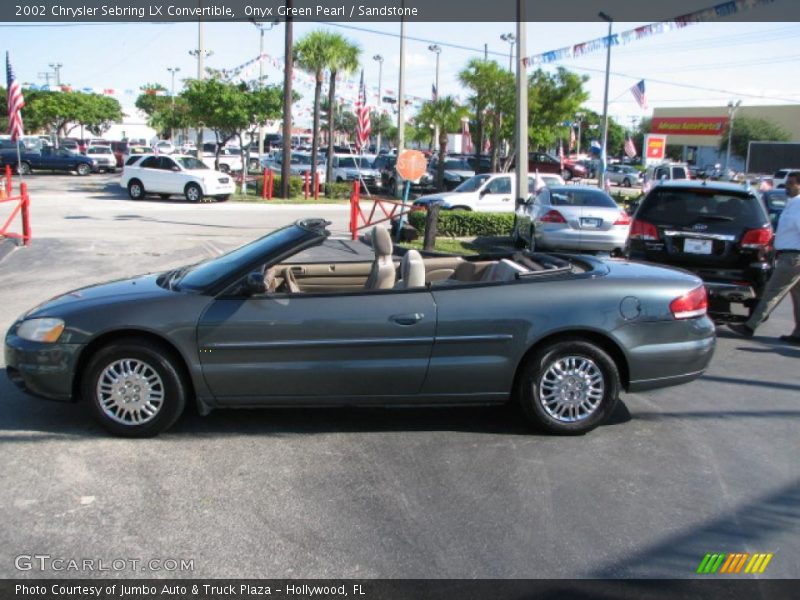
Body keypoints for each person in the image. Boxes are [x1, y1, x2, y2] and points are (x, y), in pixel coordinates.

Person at [729, 170, 800, 342]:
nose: (787, 187)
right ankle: (798, 334)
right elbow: (789, 231)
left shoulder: (799, 205)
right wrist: (771, 244)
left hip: (793, 258)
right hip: (788, 255)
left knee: (772, 291)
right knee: (797, 297)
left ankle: (750, 326)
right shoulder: (793, 203)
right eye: (788, 183)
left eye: (792, 183)